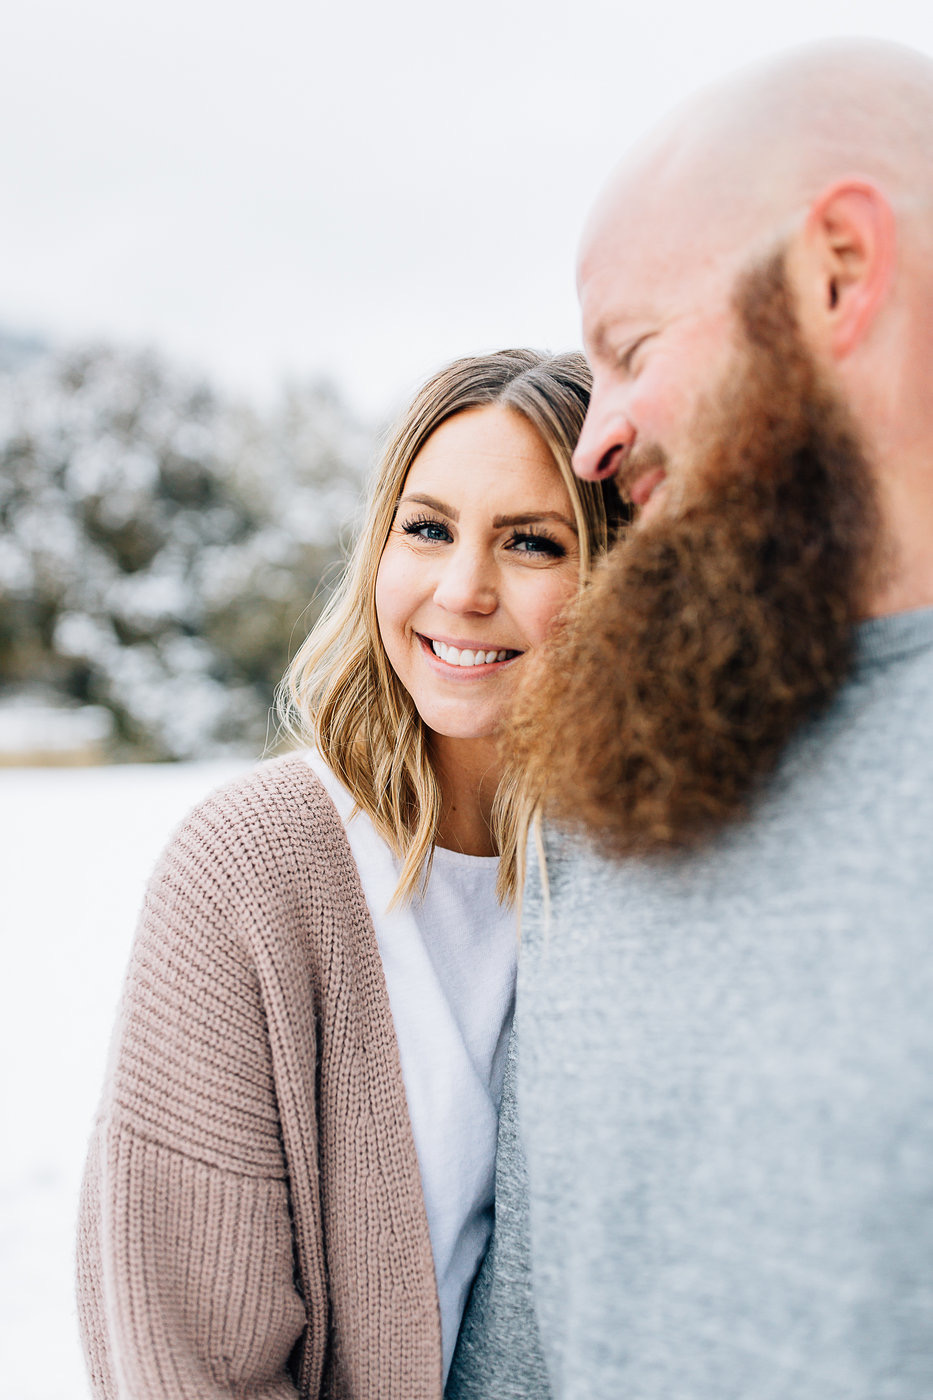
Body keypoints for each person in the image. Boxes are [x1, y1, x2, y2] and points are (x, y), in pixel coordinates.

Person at [448, 40, 933, 1400]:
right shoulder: (619, 771)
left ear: (836, 268)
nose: (594, 442)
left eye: (631, 350)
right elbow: (527, 1343)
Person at [75, 348, 623, 1400]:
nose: (463, 589)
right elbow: (189, 1364)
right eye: (428, 528)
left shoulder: (638, 883)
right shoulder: (248, 873)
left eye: (532, 542)